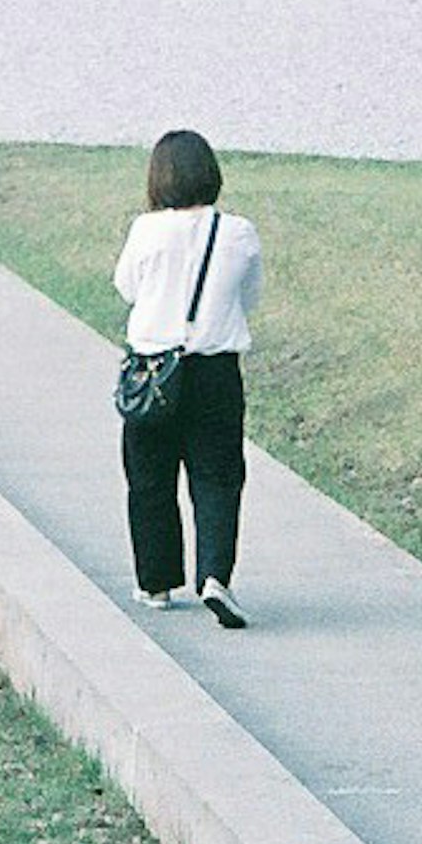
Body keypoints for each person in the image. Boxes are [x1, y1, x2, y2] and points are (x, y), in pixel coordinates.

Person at [115, 127, 263, 626]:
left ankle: (155, 582)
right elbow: (250, 294)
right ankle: (215, 576)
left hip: (154, 370)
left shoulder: (146, 231)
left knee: (150, 478)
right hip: (216, 371)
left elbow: (127, 288)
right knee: (218, 476)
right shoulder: (239, 232)